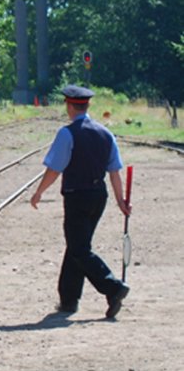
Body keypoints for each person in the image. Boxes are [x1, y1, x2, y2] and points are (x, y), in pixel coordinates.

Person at [29, 84, 132, 318]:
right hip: (99, 196)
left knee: (79, 248)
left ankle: (113, 287)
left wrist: (39, 192)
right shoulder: (106, 134)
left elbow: (55, 169)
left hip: (77, 196)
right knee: (77, 245)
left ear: (69, 106)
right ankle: (69, 299)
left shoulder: (67, 133)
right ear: (87, 106)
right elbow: (114, 171)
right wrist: (120, 201)